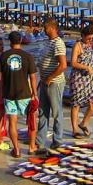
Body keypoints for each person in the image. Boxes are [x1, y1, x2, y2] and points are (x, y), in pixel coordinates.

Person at [0, 31, 39, 157]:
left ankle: (17, 150)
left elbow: (0, 77)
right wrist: (35, 93)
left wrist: (2, 91)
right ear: (20, 41)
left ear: (9, 42)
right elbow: (32, 77)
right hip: (25, 93)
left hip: (9, 94)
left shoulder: (4, 56)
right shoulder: (27, 56)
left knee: (12, 122)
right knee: (31, 121)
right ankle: (32, 147)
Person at [36, 17, 67, 151]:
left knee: (56, 112)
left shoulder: (58, 43)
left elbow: (63, 65)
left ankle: (57, 139)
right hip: (45, 81)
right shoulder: (49, 42)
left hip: (54, 82)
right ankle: (40, 139)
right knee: (43, 111)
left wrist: (50, 77)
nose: (44, 30)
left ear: (53, 28)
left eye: (46, 28)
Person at [69, 25, 93, 139]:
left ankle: (83, 124)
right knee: (76, 105)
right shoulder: (78, 45)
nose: (90, 41)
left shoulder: (89, 45)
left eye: (92, 38)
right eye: (88, 38)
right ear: (82, 36)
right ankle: (75, 130)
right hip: (78, 79)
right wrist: (87, 67)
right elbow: (73, 62)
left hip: (89, 80)